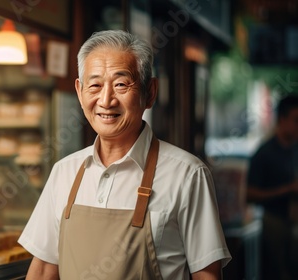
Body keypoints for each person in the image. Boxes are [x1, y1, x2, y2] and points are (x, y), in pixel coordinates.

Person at [18, 30, 231, 279]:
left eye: (121, 84)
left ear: (149, 92)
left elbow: (207, 276)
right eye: (95, 85)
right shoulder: (64, 172)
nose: (106, 100)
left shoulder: (187, 175)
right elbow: (43, 271)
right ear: (79, 91)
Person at [246, 95, 298, 280]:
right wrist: (287, 189)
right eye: (296, 120)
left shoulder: (295, 149)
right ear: (282, 120)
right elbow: (249, 195)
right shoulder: (264, 153)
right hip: (274, 221)